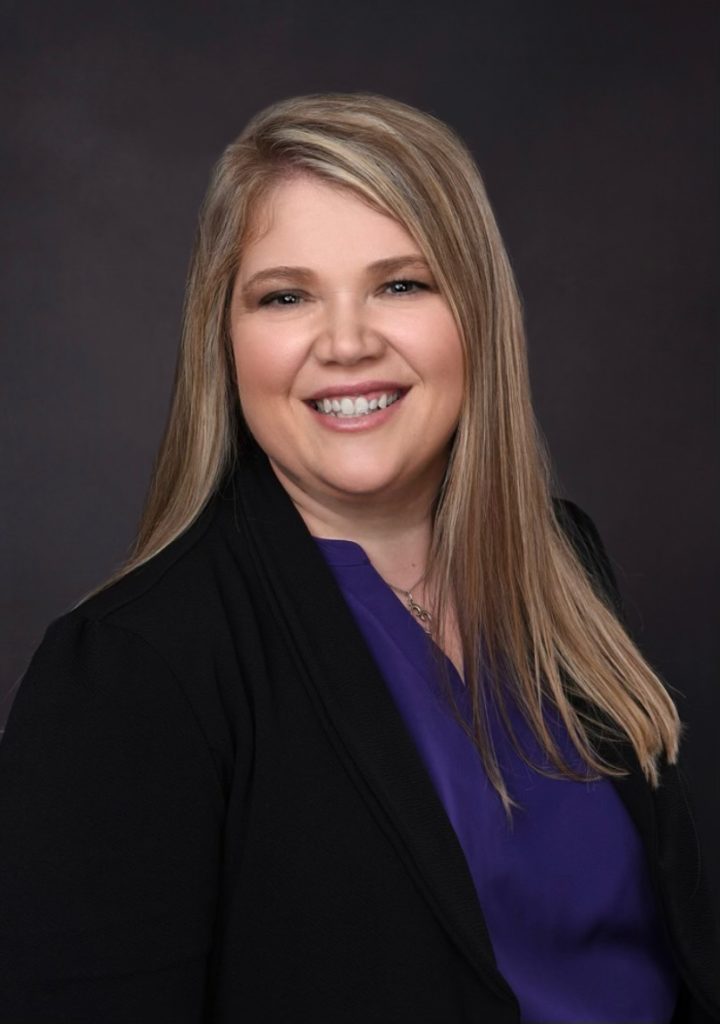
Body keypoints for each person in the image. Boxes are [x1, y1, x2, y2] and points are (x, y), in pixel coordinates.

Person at [0, 92, 717, 1024]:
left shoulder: (564, 563)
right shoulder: (132, 666)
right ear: (225, 337)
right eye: (286, 295)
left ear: (479, 315)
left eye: (401, 284)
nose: (346, 343)